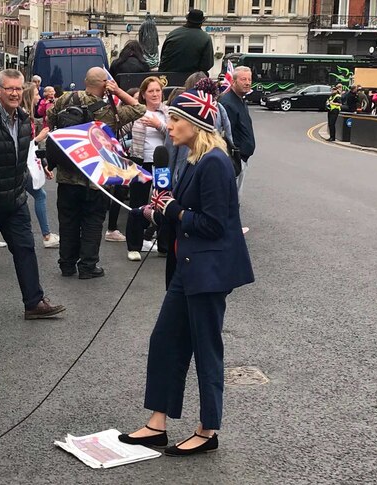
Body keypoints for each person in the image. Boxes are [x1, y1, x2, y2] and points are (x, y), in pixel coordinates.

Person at [118, 88, 254, 457]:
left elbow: (212, 224)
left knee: (207, 351)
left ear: (196, 125)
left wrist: (175, 210)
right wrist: (153, 212)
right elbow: (180, 208)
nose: (169, 125)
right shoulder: (194, 159)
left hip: (209, 272)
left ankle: (208, 430)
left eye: (175, 120)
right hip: (188, 267)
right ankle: (157, 424)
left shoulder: (214, 162)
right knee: (165, 341)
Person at [0, 69, 66, 320]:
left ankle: (34, 302)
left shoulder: (25, 119)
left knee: (25, 249)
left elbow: (23, 155)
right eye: (10, 89)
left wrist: (42, 165)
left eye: (19, 88)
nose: (15, 93)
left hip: (15, 200)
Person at [46, 67, 145, 279]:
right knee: (92, 221)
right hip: (96, 178)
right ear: (105, 84)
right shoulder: (109, 111)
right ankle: (88, 266)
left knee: (68, 220)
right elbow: (139, 109)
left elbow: (50, 117)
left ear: (85, 81)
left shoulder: (66, 99)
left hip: (67, 175)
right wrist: (117, 92)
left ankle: (67, 263)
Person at [126, 76, 169, 261]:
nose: (155, 94)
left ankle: (164, 245)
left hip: (162, 163)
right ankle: (133, 246)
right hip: (140, 161)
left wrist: (158, 125)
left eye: (158, 90)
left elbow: (174, 133)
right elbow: (120, 129)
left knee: (164, 203)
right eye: (150, 91)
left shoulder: (167, 112)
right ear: (143, 94)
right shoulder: (137, 113)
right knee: (137, 202)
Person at [21, 83, 59, 248]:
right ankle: (46, 236)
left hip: (25, 163)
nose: (39, 97)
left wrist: (44, 164)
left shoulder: (26, 115)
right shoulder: (22, 115)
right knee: (40, 195)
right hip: (19, 165)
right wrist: (39, 138)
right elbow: (22, 144)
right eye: (36, 94)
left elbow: (32, 148)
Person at [219, 66, 255, 196]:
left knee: (235, 197)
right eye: (243, 79)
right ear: (233, 82)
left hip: (242, 157)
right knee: (231, 197)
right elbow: (225, 135)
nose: (247, 83)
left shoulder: (240, 99)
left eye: (249, 79)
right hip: (234, 159)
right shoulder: (228, 103)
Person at [158, 9, 213, 75]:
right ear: (201, 22)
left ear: (187, 19)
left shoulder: (173, 34)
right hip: (191, 78)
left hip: (167, 77)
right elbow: (207, 65)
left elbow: (162, 57)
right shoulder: (205, 38)